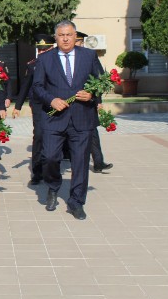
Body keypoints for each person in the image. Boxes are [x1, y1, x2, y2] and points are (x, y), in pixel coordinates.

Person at [32, 20, 104, 220]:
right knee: (50, 157)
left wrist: (92, 96)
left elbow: (100, 82)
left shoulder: (89, 56)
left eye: (69, 35)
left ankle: (76, 202)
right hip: (54, 118)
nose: (65, 38)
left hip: (82, 118)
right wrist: (51, 99)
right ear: (56, 38)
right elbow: (37, 87)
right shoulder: (46, 59)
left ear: (75, 37)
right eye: (61, 35)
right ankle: (53, 187)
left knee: (80, 162)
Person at [12, 34, 56, 184]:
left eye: (45, 50)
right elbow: (25, 85)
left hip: (56, 103)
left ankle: (52, 168)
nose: (42, 53)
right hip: (38, 103)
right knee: (39, 135)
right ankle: (37, 172)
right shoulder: (33, 65)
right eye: (40, 50)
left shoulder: (59, 64)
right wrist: (17, 106)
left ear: (52, 48)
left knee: (54, 136)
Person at [76, 32, 113, 173]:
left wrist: (98, 101)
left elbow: (99, 80)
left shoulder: (89, 56)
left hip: (87, 102)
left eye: (79, 41)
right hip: (67, 103)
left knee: (92, 132)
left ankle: (98, 162)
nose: (78, 43)